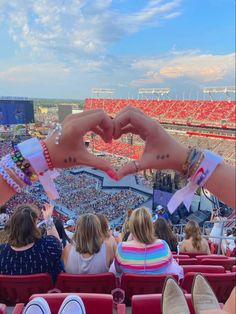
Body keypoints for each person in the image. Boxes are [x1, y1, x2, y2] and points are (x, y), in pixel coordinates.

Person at [0, 203, 63, 282]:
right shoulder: (47, 246)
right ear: (34, 225)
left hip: (13, 294)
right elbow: (57, 244)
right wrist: (48, 219)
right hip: (43, 293)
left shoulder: (2, 252)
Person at [115, 207, 183, 278]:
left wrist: (128, 241)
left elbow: (118, 271)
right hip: (158, 288)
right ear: (151, 225)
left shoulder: (121, 248)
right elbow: (169, 267)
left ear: (132, 227)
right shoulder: (163, 245)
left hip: (130, 288)